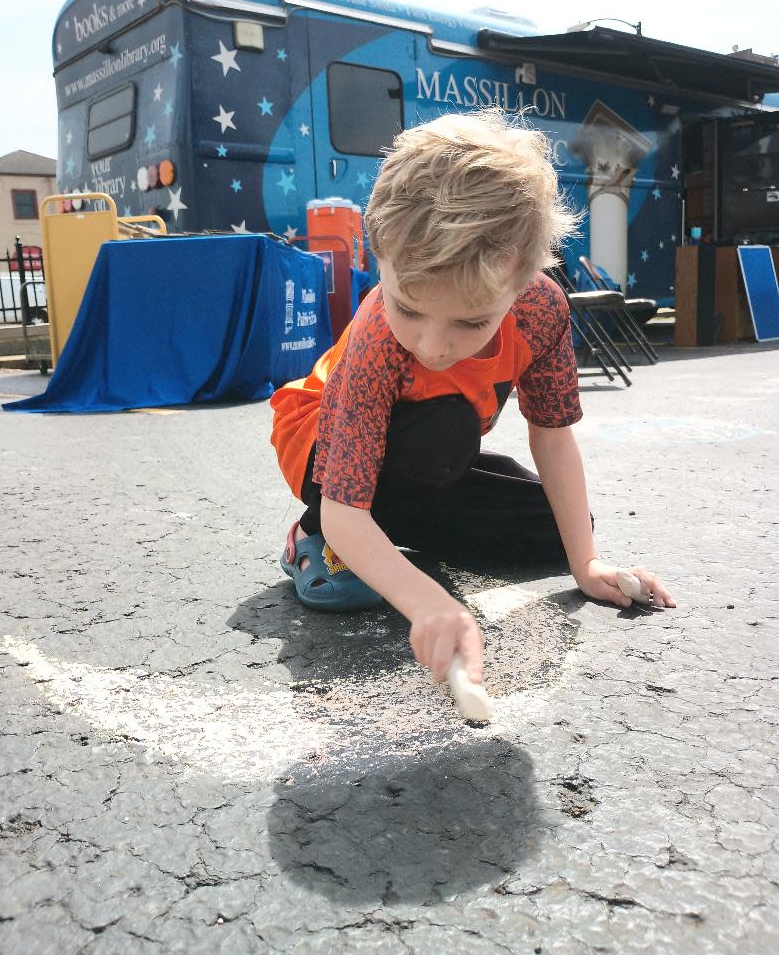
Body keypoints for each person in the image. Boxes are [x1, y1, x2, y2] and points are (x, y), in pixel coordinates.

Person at [270, 109, 675, 688]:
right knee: (447, 432)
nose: (433, 344)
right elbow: (347, 507)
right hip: (323, 452)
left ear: (522, 281)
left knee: (554, 528)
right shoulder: (377, 334)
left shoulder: (542, 311)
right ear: (378, 258)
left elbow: (552, 436)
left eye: (470, 321)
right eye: (408, 306)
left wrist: (585, 563)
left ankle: (393, 531)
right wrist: (425, 600)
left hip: (428, 459)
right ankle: (310, 536)